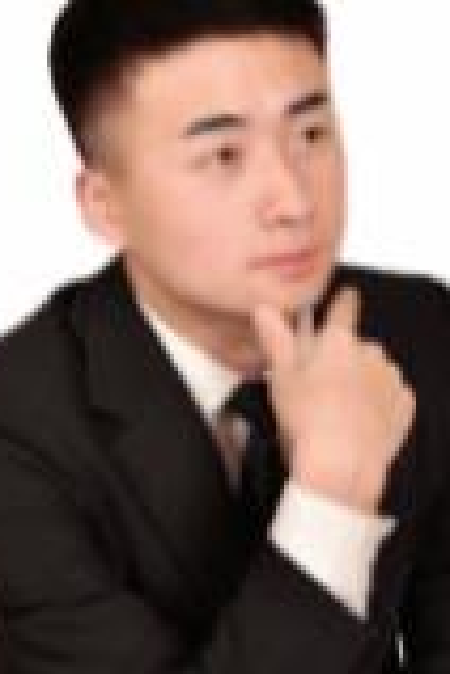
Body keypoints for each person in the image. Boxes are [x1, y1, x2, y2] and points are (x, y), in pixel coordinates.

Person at [0, 1, 449, 672]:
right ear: (105, 205)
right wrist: (330, 499)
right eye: (223, 155)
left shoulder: (421, 327)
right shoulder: (19, 434)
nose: (294, 202)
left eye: (311, 133)